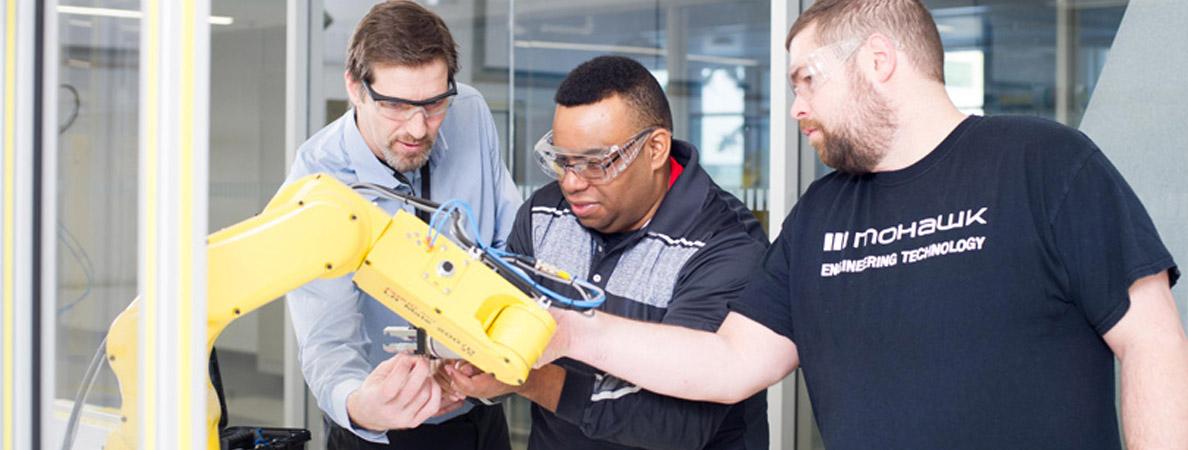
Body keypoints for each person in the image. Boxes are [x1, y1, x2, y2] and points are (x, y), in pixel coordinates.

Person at [537, 1, 1188, 448]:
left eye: (807, 80)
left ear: (878, 61)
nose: (794, 107)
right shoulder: (822, 214)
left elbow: (1152, 341)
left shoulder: (1043, 161)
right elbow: (726, 361)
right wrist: (568, 331)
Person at [445, 56, 770, 449]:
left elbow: (678, 424)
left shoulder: (725, 245)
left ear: (655, 149)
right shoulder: (543, 215)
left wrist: (529, 378)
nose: (571, 183)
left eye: (595, 163)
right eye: (562, 161)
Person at [283, 1, 520, 448]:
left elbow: (508, 246)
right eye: (395, 105)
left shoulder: (469, 109)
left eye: (433, 104)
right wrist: (358, 405)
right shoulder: (318, 180)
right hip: (379, 431)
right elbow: (326, 338)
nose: (417, 128)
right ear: (355, 87)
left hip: (478, 417)